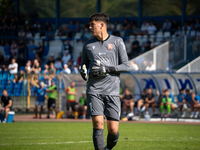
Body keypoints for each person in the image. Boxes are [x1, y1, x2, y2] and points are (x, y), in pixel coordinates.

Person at [80, 13, 130, 150]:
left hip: (112, 92)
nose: (90, 27)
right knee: (98, 123)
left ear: (102, 25)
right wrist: (83, 72)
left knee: (113, 130)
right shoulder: (87, 45)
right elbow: (83, 65)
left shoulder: (117, 41)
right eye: (89, 25)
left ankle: (108, 148)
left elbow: (126, 66)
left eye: (92, 24)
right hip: (94, 90)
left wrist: (107, 69)